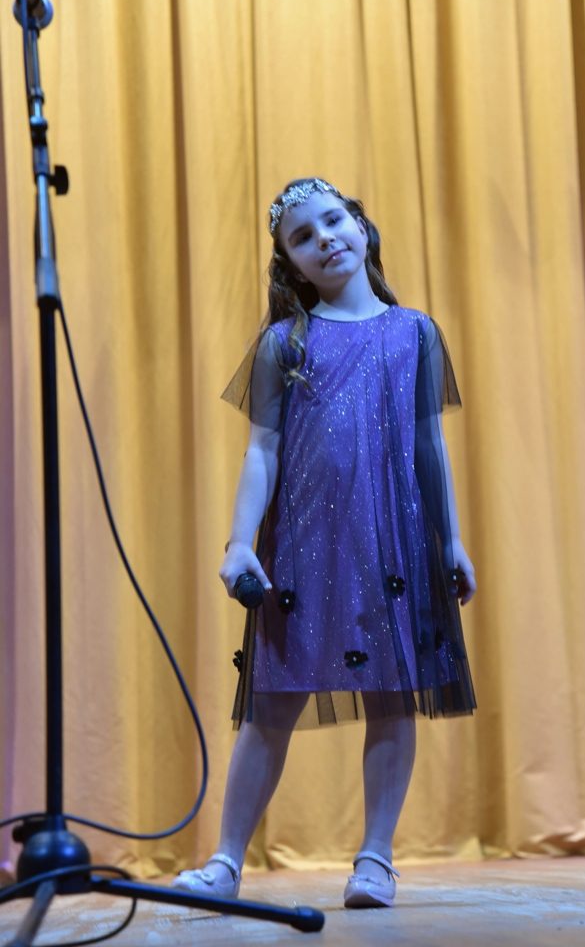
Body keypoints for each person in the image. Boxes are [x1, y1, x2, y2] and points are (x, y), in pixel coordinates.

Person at [173, 177, 477, 908]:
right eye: (303, 237)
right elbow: (261, 451)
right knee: (269, 705)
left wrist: (450, 540)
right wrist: (239, 543)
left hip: (393, 541)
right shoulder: (286, 342)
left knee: (393, 698)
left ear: (361, 226)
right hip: (304, 543)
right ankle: (225, 862)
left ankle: (375, 860)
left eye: (333, 221)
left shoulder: (415, 333)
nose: (325, 239)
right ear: (292, 264)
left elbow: (427, 446)